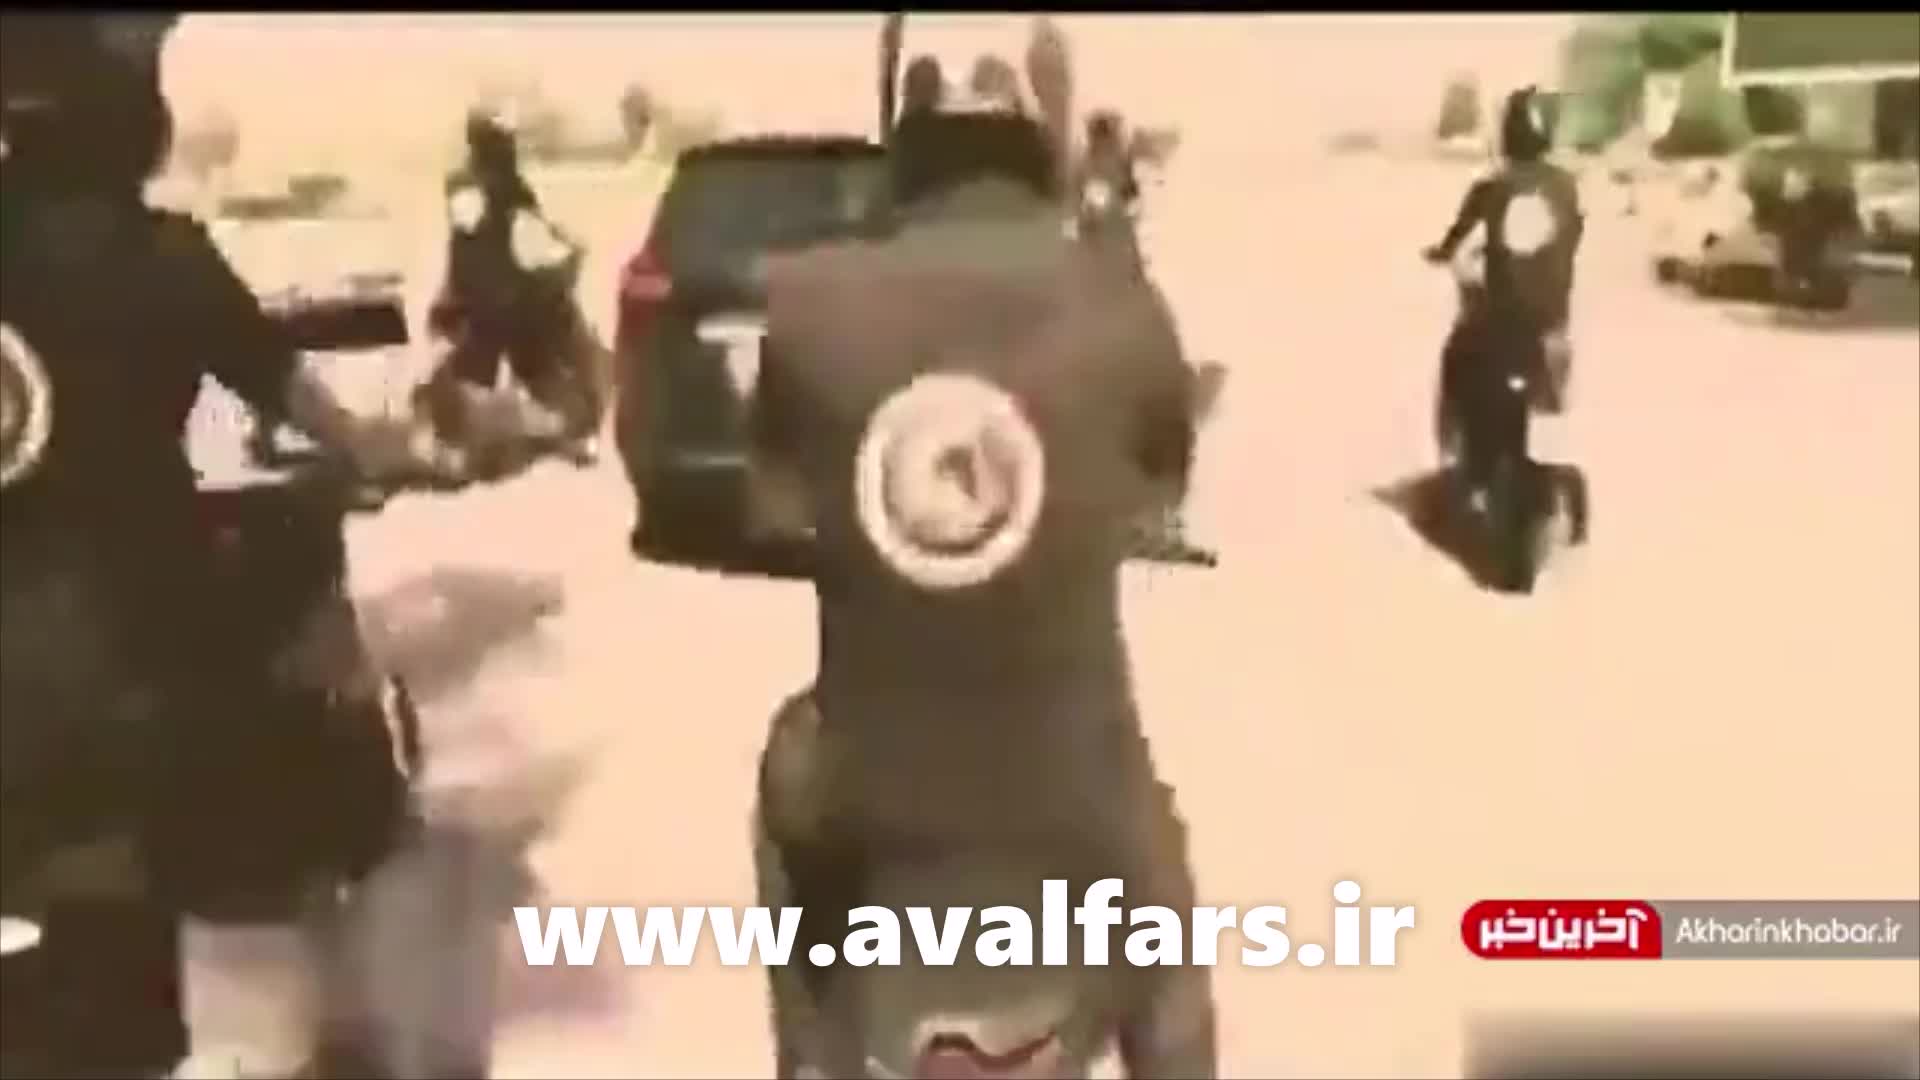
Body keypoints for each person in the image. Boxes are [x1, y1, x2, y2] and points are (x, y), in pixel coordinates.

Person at [1, 15, 449, 1076]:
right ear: (133, 128)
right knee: (138, 949)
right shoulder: (169, 258)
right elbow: (322, 420)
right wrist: (406, 451)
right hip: (127, 674)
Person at [748, 92, 1215, 1078]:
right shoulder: (1117, 298)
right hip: (1072, 783)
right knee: (1160, 901)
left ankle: (808, 1062)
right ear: (1034, 157)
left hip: (866, 790)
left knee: (785, 778)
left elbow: (773, 506)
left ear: (908, 160)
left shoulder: (810, 301)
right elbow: (1163, 482)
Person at [426, 106, 600, 468]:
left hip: (508, 295)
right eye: (502, 141)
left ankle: (567, 434)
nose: (508, 148)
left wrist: (561, 244)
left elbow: (535, 229)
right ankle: (455, 443)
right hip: (483, 298)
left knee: (535, 363)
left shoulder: (506, 185)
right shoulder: (470, 184)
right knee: (480, 368)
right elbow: (472, 225)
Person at [1423, 85, 1584, 463]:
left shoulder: (1491, 186)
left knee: (1456, 355)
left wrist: (1441, 253)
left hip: (1502, 315)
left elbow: (1456, 237)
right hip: (1551, 318)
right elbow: (1574, 234)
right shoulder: (1565, 186)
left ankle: (1453, 448)